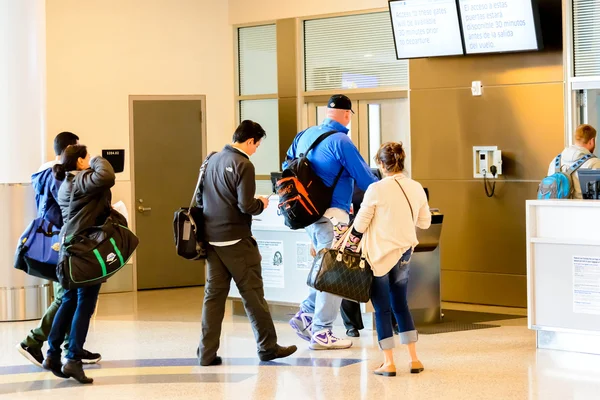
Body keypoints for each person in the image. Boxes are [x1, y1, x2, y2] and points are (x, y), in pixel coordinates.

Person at [198, 120, 297, 366]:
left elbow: (201, 197)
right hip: (237, 241)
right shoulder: (243, 164)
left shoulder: (211, 159)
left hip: (212, 240)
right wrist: (261, 203)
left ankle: (206, 353)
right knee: (253, 294)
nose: (256, 149)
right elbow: (245, 205)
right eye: (257, 145)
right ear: (250, 141)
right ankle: (268, 347)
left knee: (213, 297)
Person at [284, 95, 378, 350]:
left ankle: (306, 315)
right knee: (335, 273)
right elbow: (367, 181)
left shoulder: (304, 135)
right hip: (332, 217)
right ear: (347, 115)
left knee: (327, 269)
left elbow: (286, 167)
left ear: (327, 112)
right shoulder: (342, 141)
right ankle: (322, 331)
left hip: (309, 216)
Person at [17, 132, 100, 368]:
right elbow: (67, 211)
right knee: (66, 295)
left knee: (68, 293)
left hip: (55, 241)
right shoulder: (57, 176)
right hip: (62, 242)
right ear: (69, 149)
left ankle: (69, 348)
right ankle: (32, 342)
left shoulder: (46, 173)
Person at [349, 142, 431, 377]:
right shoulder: (415, 187)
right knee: (401, 304)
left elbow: (362, 222)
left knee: (382, 308)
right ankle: (414, 360)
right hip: (404, 252)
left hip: (379, 255)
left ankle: (389, 363)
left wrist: (351, 240)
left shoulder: (376, 189)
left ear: (381, 164)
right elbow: (424, 222)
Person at [42, 145, 116, 384]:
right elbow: (107, 175)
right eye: (87, 156)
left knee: (70, 300)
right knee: (85, 303)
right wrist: (97, 158)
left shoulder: (67, 182)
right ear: (81, 161)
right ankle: (72, 358)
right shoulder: (82, 179)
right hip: (85, 252)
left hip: (70, 250)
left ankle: (53, 354)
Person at [547, 124, 600, 199]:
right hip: (583, 210)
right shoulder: (594, 163)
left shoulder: (555, 161)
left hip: (553, 209)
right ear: (592, 141)